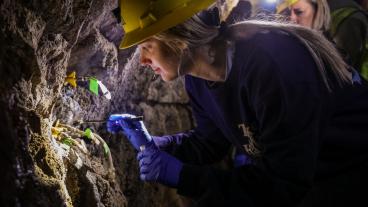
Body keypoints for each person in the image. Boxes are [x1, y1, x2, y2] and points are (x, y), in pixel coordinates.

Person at [107, 0, 368, 206]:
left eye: (147, 46)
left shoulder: (272, 66)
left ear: (179, 37)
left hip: (350, 171)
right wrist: (159, 145)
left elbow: (283, 184)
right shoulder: (198, 80)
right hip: (310, 174)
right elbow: (210, 142)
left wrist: (183, 176)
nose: (142, 61)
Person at [284, 0, 368, 79]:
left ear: (319, 7)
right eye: (289, 12)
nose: (292, 19)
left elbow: (338, 77)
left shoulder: (347, 21)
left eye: (299, 12)